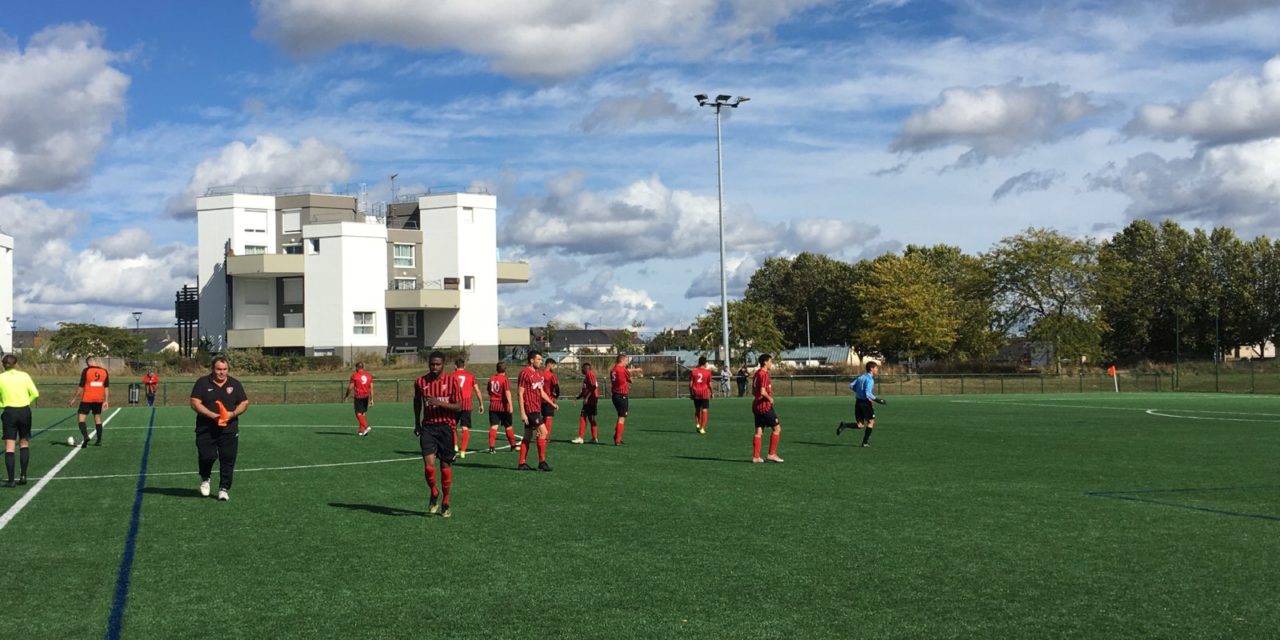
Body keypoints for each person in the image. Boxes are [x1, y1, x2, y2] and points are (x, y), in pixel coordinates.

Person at [190, 356, 250, 501]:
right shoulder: (202, 383)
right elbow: (195, 402)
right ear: (213, 369)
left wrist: (233, 413)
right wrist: (213, 416)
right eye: (218, 369)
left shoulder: (235, 384)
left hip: (229, 430)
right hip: (206, 429)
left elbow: (244, 402)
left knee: (228, 459)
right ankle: (205, 479)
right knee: (207, 456)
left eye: (224, 369)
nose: (221, 372)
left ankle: (224, 489)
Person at [414, 351, 463, 517]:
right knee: (429, 466)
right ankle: (434, 492)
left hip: (446, 428)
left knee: (445, 467)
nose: (434, 367)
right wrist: (416, 423)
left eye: (438, 364)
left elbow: (459, 406)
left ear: (443, 364)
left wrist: (438, 402)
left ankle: (446, 501)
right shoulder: (420, 381)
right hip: (428, 427)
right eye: (432, 364)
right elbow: (416, 402)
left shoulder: (452, 381)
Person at [0, 355, 39, 487]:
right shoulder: (24, 376)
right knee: (24, 443)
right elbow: (35, 393)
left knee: (9, 447)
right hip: (24, 412)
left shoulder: (1, 378)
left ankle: (11, 480)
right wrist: (25, 402)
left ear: (3, 364)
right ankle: (23, 475)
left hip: (9, 412)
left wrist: (3, 403)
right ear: (15, 364)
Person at [517, 350, 555, 471]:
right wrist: (522, 412)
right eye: (538, 359)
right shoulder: (524, 373)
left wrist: (551, 403)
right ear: (531, 360)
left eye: (541, 359)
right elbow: (520, 393)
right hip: (530, 409)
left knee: (528, 435)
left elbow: (541, 392)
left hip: (536, 408)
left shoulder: (538, 374)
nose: (540, 361)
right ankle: (542, 461)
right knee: (543, 433)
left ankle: (522, 463)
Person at [839, 361, 886, 447]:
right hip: (865, 403)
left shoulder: (861, 377)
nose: (877, 369)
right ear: (871, 369)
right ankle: (865, 443)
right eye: (876, 368)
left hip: (858, 402)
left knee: (860, 425)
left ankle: (845, 425)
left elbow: (851, 385)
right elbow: (868, 393)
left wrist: (858, 392)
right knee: (871, 422)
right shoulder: (870, 379)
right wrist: (879, 400)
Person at [69, 355, 109, 448]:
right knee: (97, 417)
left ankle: (86, 437)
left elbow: (81, 386)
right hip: (99, 399)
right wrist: (106, 401)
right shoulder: (104, 371)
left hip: (87, 398)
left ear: (88, 363)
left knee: (81, 418)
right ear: (95, 362)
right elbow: (106, 387)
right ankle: (99, 440)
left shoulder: (86, 371)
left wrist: (74, 398)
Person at [751, 354, 783, 464]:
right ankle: (771, 454)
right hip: (764, 406)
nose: (771, 363)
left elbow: (754, 391)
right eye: (770, 361)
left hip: (756, 406)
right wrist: (770, 398)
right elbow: (762, 391)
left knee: (759, 431)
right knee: (777, 429)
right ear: (765, 362)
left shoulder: (756, 374)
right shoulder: (763, 374)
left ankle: (756, 457)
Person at [450, 359, 484, 459]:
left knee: (452, 426)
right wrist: (481, 404)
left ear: (455, 366)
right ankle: (463, 451)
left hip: (455, 403)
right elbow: (477, 390)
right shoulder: (471, 376)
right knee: (465, 428)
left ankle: (455, 445)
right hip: (467, 404)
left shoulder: (451, 376)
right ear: (464, 367)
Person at [486, 363, 519, 454]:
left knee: (494, 426)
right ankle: (513, 445)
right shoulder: (505, 379)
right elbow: (507, 392)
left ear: (496, 369)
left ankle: (492, 447)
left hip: (493, 405)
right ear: (505, 370)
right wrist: (511, 405)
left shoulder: (491, 379)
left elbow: (489, 391)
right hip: (504, 406)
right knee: (508, 426)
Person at [343, 362, 374, 436]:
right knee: (363, 412)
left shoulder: (355, 376)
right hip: (366, 396)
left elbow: (350, 387)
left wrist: (346, 396)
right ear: (363, 367)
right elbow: (371, 388)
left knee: (358, 413)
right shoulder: (369, 376)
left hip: (359, 396)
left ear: (357, 367)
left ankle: (366, 427)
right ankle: (361, 430)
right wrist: (372, 399)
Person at [571, 362, 599, 444]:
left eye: (582, 368)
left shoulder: (589, 374)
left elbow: (594, 386)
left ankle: (581, 438)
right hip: (591, 400)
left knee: (583, 417)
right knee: (591, 418)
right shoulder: (587, 376)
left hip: (591, 400)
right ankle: (594, 438)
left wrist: (586, 398)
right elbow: (585, 390)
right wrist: (578, 397)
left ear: (585, 368)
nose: (581, 370)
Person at [609, 354, 632, 446]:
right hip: (622, 395)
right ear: (622, 360)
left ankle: (616, 436)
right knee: (622, 417)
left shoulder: (613, 369)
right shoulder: (622, 369)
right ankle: (617, 440)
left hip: (615, 395)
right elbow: (630, 380)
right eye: (626, 360)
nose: (627, 362)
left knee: (620, 416)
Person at [689, 356, 713, 434]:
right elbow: (709, 384)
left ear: (699, 363)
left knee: (697, 409)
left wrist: (691, 393)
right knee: (704, 410)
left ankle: (697, 424)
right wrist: (712, 392)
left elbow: (690, 384)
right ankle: (702, 428)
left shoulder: (694, 371)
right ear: (705, 363)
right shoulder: (708, 372)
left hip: (696, 392)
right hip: (704, 393)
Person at [541, 358, 561, 448]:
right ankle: (546, 437)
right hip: (548, 399)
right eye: (553, 365)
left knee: (542, 418)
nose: (554, 367)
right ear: (549, 364)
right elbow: (557, 387)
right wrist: (556, 396)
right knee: (548, 418)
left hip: (539, 399)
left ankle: (541, 433)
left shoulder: (538, 373)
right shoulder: (551, 375)